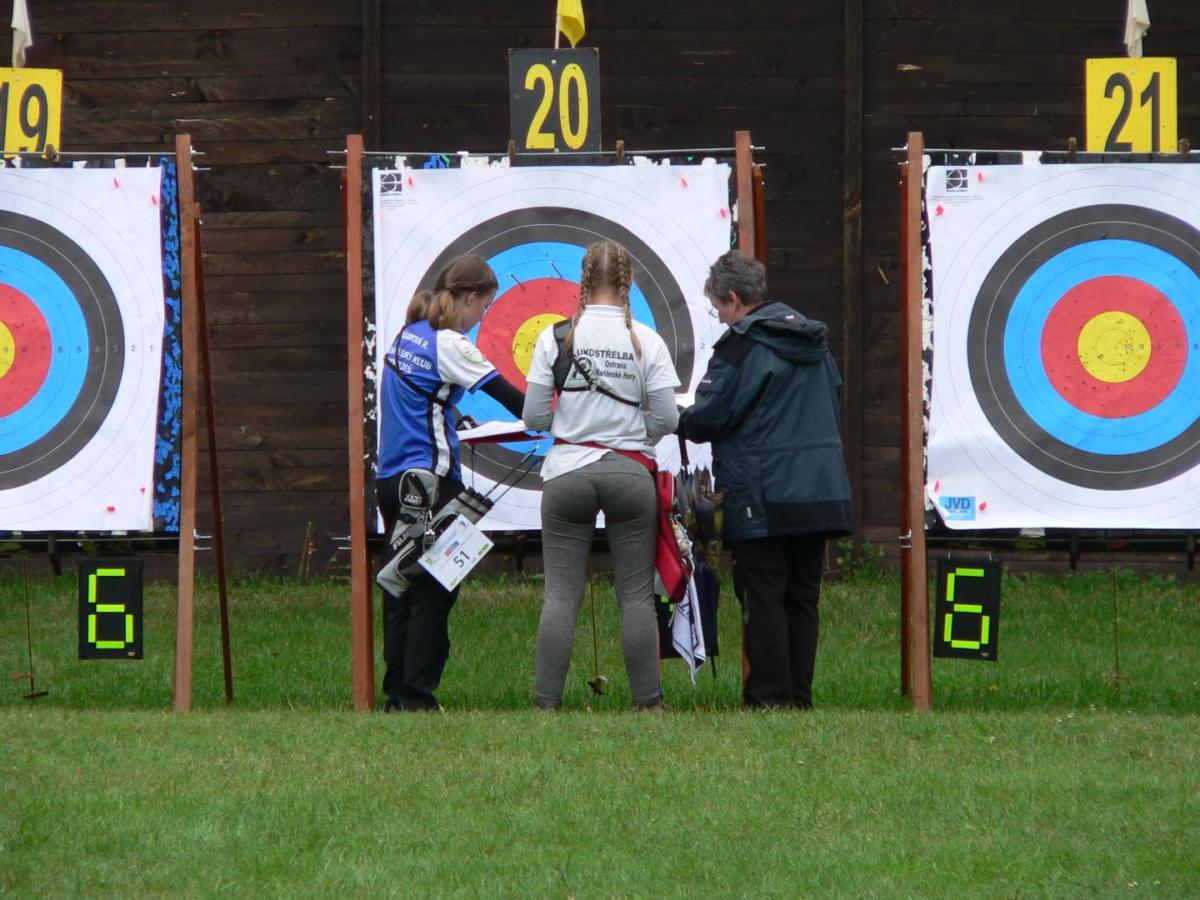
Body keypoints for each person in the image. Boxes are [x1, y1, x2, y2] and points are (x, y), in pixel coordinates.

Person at [677, 250, 852, 709]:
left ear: (735, 299)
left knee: (764, 593)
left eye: (718, 307)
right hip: (819, 490)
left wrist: (678, 418)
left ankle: (769, 700)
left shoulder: (743, 346)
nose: (720, 317)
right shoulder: (814, 343)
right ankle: (798, 698)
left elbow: (710, 416)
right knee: (802, 596)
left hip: (763, 492)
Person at [523, 240, 680, 711]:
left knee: (560, 597)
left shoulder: (555, 337)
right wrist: (631, 435)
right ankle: (647, 703)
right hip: (630, 474)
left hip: (567, 473)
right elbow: (667, 418)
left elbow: (533, 416)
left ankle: (546, 704)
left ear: (584, 280)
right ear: (629, 281)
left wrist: (571, 428)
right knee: (635, 596)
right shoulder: (647, 339)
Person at [376, 254, 524, 711]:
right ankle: (417, 697)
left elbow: (419, 400)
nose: (482, 317)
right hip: (430, 483)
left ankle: (397, 694)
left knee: (400, 586)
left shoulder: (409, 334)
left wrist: (454, 417)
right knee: (436, 588)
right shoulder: (450, 343)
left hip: (393, 480)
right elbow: (518, 403)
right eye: (485, 306)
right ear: (470, 297)